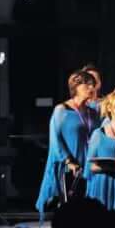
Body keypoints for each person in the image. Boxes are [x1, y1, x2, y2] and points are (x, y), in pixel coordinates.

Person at [36, 71, 99, 219]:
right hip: (70, 165)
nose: (91, 88)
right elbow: (55, 139)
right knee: (71, 210)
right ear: (76, 87)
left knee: (89, 211)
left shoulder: (93, 112)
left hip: (89, 164)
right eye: (87, 84)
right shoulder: (62, 110)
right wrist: (68, 161)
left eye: (93, 85)